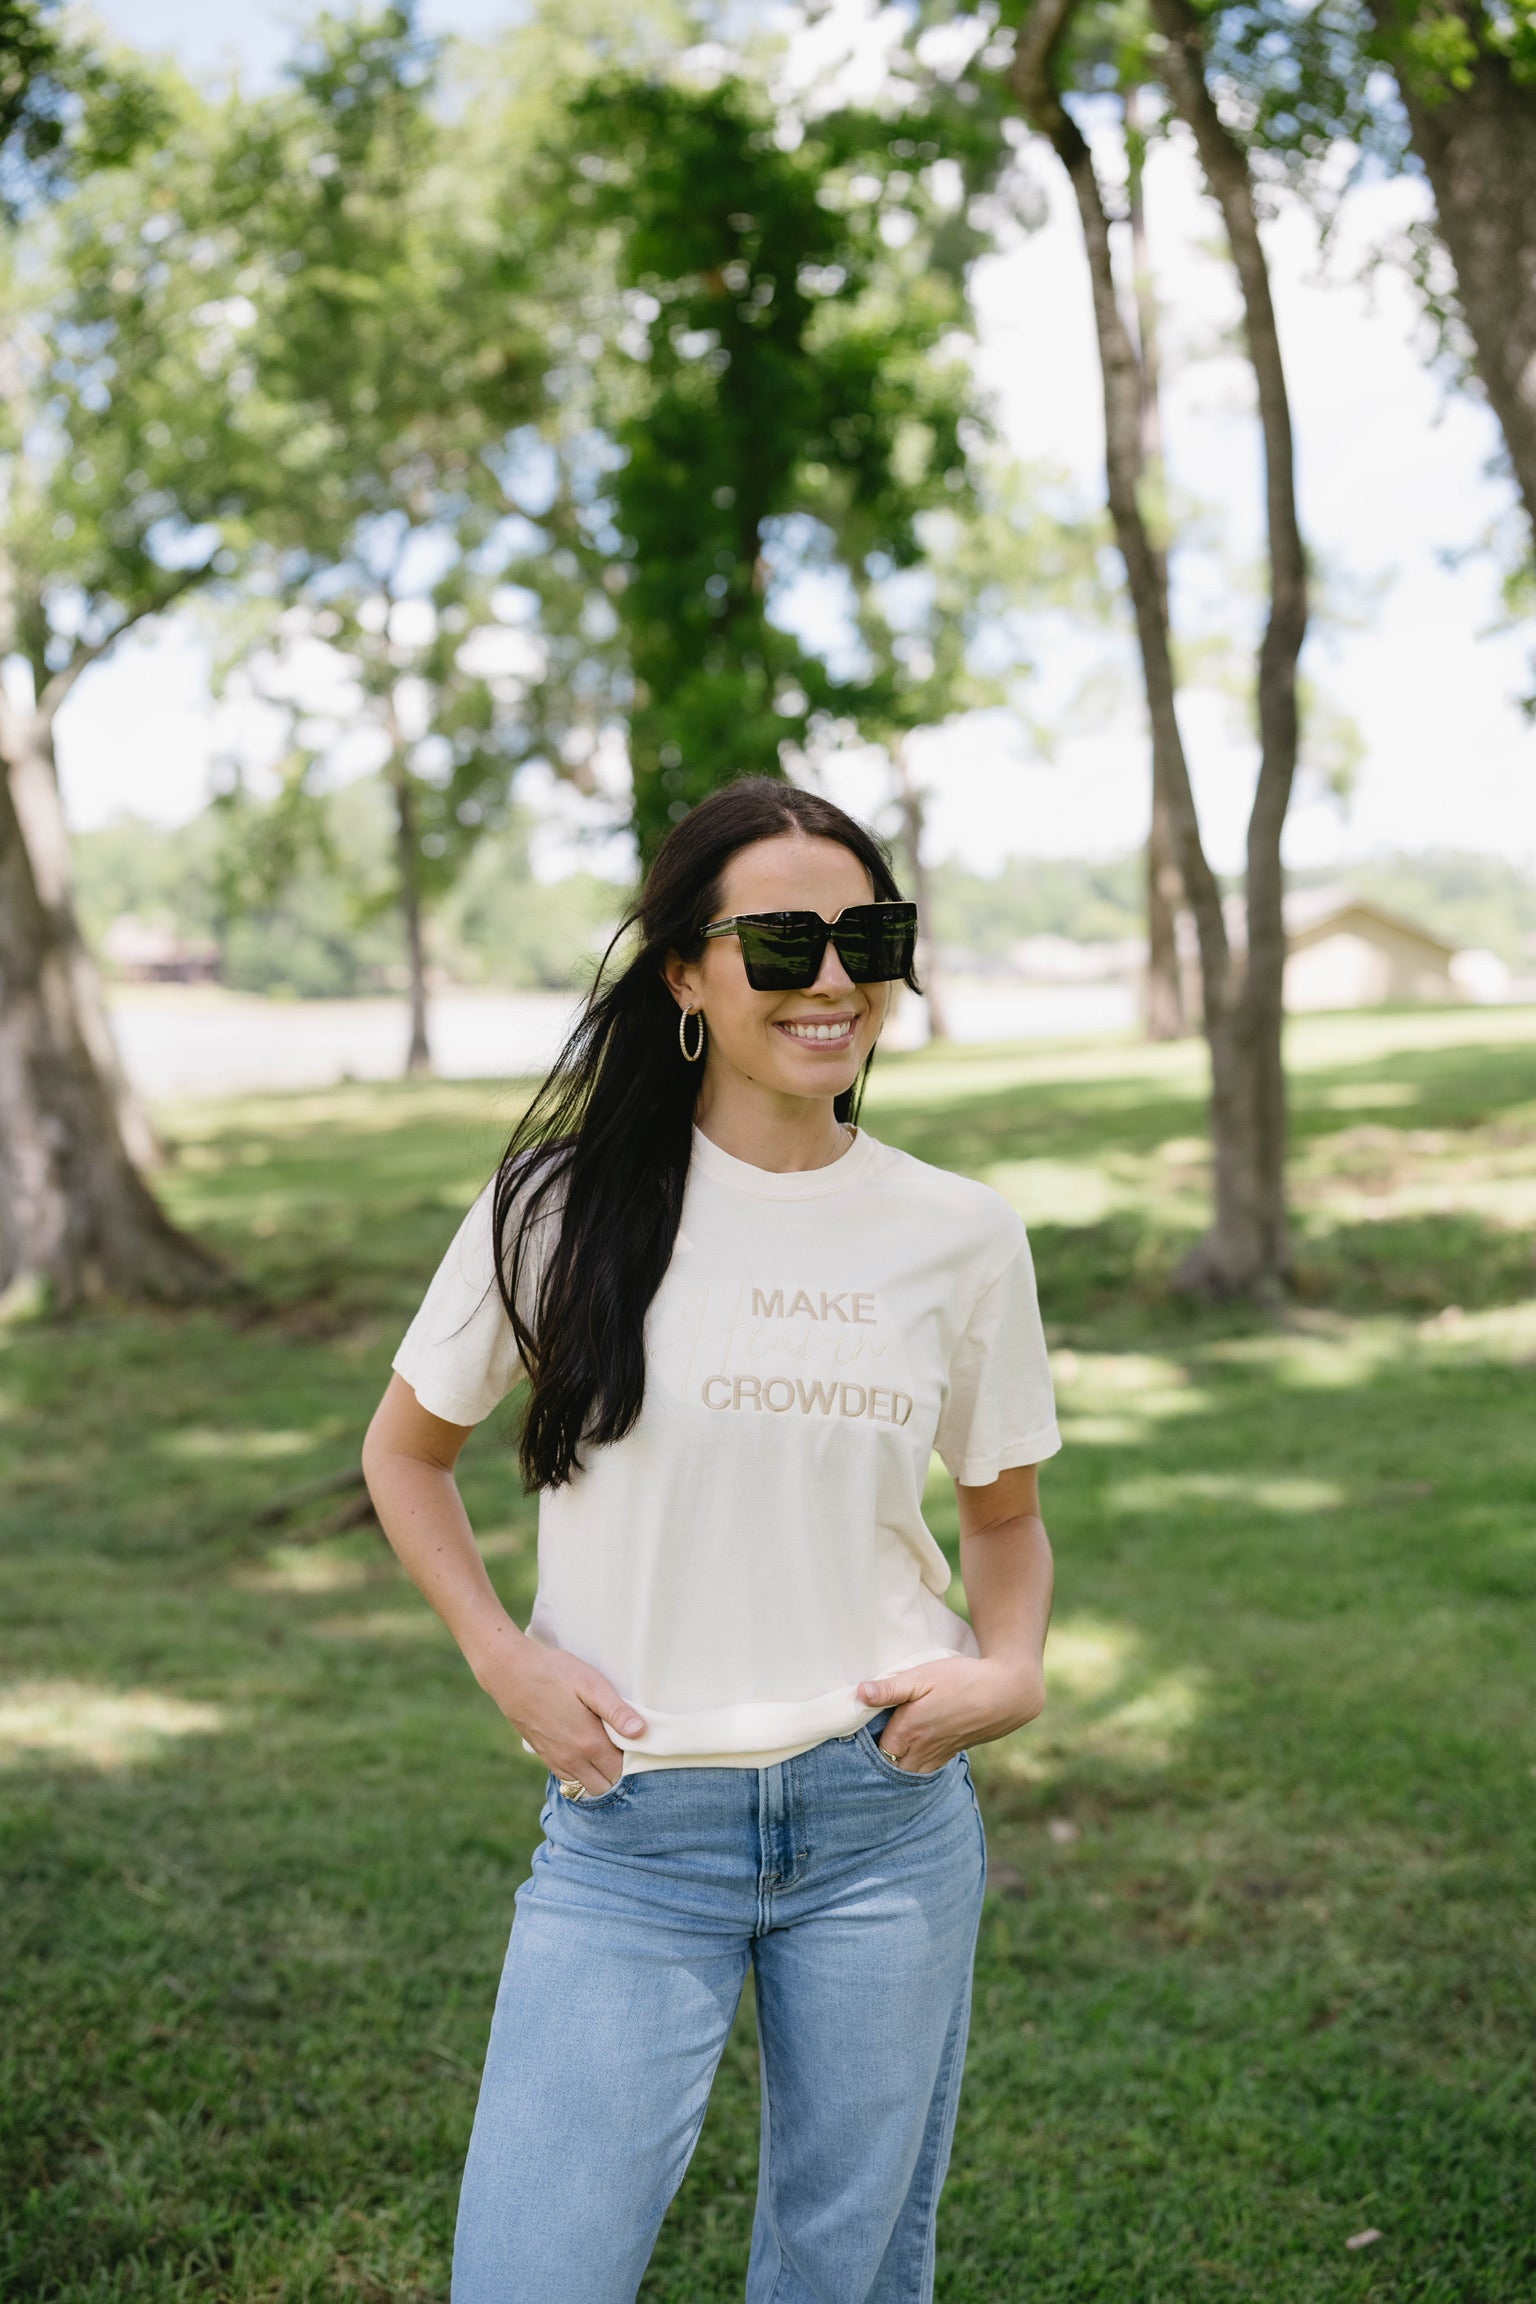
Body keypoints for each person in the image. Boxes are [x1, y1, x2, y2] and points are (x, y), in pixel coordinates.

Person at [362, 777, 1060, 2304]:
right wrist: (503, 1660)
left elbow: (1004, 1516)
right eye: (781, 940)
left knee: (848, 2274)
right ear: (686, 972)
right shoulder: (553, 1210)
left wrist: (1010, 1671)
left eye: (865, 935)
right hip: (632, 1834)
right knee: (529, 2275)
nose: (830, 978)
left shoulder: (960, 1234)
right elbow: (405, 1454)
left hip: (883, 1816)